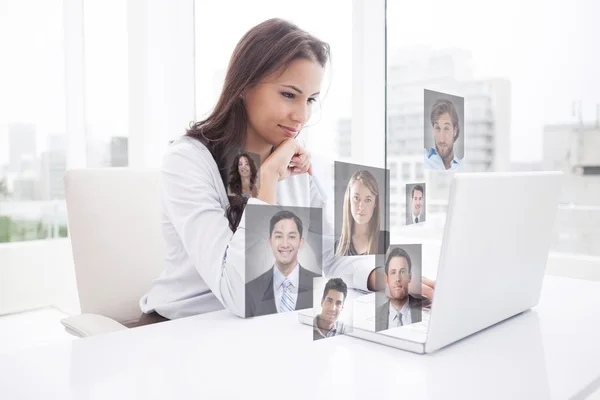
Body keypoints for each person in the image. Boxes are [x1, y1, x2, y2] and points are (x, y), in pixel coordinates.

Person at [138, 18, 435, 324]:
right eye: (289, 95)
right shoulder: (188, 162)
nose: (301, 116)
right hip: (183, 329)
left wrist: (379, 276)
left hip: (265, 326)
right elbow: (243, 295)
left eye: (310, 100)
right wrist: (266, 181)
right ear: (244, 85)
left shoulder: (292, 160)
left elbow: (329, 257)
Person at [245, 210, 320, 317]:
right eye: (279, 236)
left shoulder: (319, 285)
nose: (285, 244)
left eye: (292, 237)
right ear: (270, 241)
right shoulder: (250, 290)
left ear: (301, 242)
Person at [335, 170, 388, 256]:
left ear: (375, 203)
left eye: (368, 200)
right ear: (349, 200)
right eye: (356, 198)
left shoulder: (386, 241)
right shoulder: (337, 247)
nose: (361, 206)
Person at [375, 247, 429, 331]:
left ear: (409, 277)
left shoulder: (425, 307)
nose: (398, 279)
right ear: (386, 279)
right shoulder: (377, 315)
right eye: (393, 272)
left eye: (403, 272)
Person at [424, 98, 463, 171]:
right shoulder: (424, 160)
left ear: (454, 131)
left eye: (446, 129)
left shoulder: (463, 168)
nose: (441, 139)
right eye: (438, 128)